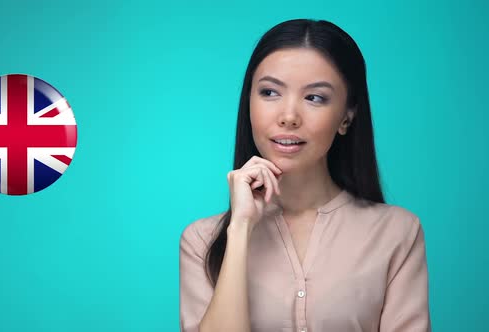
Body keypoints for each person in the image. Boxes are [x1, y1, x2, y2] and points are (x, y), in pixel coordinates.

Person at [179, 19, 431, 332]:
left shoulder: (397, 233)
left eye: (314, 97)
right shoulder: (202, 241)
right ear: (248, 103)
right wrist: (240, 229)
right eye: (270, 92)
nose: (288, 117)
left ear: (347, 115)